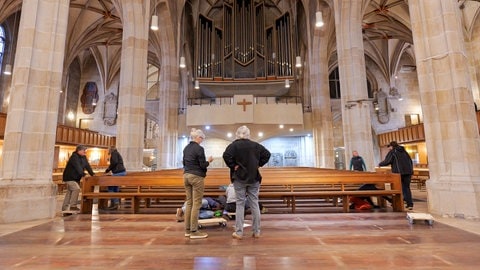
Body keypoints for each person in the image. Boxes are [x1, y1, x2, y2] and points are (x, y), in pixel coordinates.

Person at [223, 125, 271, 239]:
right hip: (254, 177)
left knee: (240, 204)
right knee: (254, 203)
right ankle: (256, 231)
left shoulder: (234, 145)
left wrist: (233, 165)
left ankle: (239, 232)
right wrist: (258, 164)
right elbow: (267, 154)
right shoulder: (256, 145)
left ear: (237, 134)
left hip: (239, 178)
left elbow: (226, 156)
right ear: (248, 134)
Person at [182, 128, 213, 239]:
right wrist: (209, 161)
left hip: (186, 176)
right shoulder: (199, 149)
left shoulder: (186, 148)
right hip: (196, 177)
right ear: (198, 137)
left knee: (189, 203)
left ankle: (187, 230)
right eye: (202, 138)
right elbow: (202, 165)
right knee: (196, 203)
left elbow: (184, 162)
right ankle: (194, 231)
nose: (202, 140)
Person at [379, 141, 414, 210]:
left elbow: (387, 161)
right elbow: (410, 161)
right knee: (406, 188)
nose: (389, 149)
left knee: (397, 188)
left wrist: (380, 164)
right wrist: (411, 171)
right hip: (408, 172)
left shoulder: (393, 152)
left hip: (398, 173)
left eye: (389, 147)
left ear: (391, 146)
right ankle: (410, 204)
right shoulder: (404, 152)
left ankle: (397, 202)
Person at [62, 145, 95, 213]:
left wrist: (92, 174)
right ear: (79, 150)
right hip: (69, 177)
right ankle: (73, 206)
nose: (85, 152)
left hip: (76, 178)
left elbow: (87, 166)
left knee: (70, 192)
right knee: (76, 189)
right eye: (84, 151)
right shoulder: (74, 157)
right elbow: (78, 166)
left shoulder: (83, 157)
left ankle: (64, 208)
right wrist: (83, 174)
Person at [104, 146, 126, 210]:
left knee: (110, 188)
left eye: (108, 150)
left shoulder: (114, 153)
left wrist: (108, 169)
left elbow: (114, 162)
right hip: (121, 172)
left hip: (118, 172)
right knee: (115, 188)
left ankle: (115, 203)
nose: (108, 151)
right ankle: (113, 204)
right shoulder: (117, 153)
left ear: (110, 149)